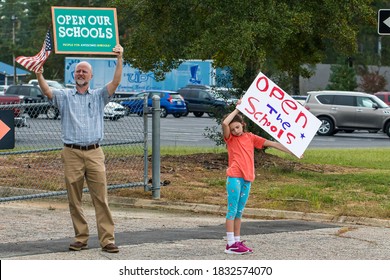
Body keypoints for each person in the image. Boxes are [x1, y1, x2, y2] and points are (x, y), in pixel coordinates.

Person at [35, 44, 124, 253]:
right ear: (73, 75)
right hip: (71, 152)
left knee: (100, 198)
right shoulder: (64, 96)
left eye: (84, 71)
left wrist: (120, 58)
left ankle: (107, 240)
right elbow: (47, 91)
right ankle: (80, 237)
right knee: (74, 199)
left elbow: (116, 81)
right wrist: (39, 75)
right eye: (78, 70)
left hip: (94, 152)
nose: (81, 73)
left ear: (91, 76)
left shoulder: (99, 96)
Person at [222, 99, 299, 255]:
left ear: (243, 125)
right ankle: (230, 244)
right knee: (232, 210)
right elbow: (225, 124)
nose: (236, 131)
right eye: (233, 129)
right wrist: (238, 109)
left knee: (239, 211)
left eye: (237, 127)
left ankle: (236, 241)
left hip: (247, 178)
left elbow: (272, 144)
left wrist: (293, 150)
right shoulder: (230, 139)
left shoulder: (250, 137)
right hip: (234, 177)